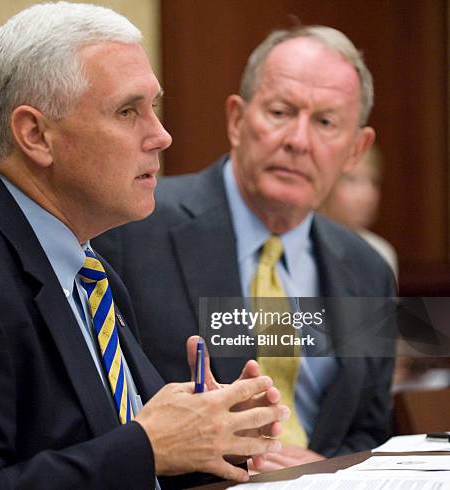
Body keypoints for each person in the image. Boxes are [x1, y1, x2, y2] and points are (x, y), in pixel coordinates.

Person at [0, 3, 288, 488]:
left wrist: (216, 436)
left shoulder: (90, 273)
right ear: (35, 135)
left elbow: (116, 452)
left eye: (153, 107)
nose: (161, 135)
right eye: (127, 111)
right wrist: (148, 445)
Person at [94, 25, 397, 471]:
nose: (297, 140)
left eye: (325, 122)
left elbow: (369, 428)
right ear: (237, 120)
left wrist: (325, 471)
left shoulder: (368, 270)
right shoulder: (129, 232)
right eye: (280, 112)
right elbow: (99, 414)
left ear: (356, 149)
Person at [320, 144, 398, 279]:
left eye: (374, 182)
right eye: (351, 180)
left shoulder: (380, 252)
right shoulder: (304, 245)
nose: (367, 195)